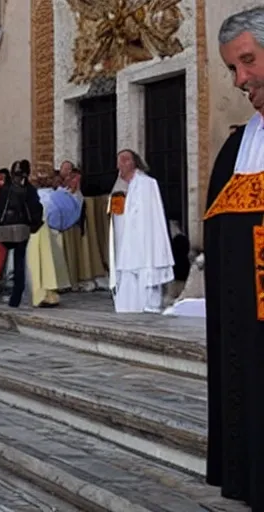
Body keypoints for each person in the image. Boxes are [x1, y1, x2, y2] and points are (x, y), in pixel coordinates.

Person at [204, 7, 264, 510]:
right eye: (232, 69)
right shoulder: (237, 149)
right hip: (248, 327)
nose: (241, 80)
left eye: (247, 61)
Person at [108, 149, 174, 312]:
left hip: (144, 240)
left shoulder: (146, 184)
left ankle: (149, 304)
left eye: (125, 160)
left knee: (144, 268)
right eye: (119, 160)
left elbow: (148, 217)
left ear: (134, 162)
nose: (120, 164)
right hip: (128, 238)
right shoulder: (124, 186)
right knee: (129, 272)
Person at [0, 161, 43, 307]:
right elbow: (36, 209)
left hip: (5, 228)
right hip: (22, 228)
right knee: (19, 261)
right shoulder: (29, 190)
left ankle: (5, 288)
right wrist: (35, 224)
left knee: (6, 259)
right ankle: (16, 295)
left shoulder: (5, 189)